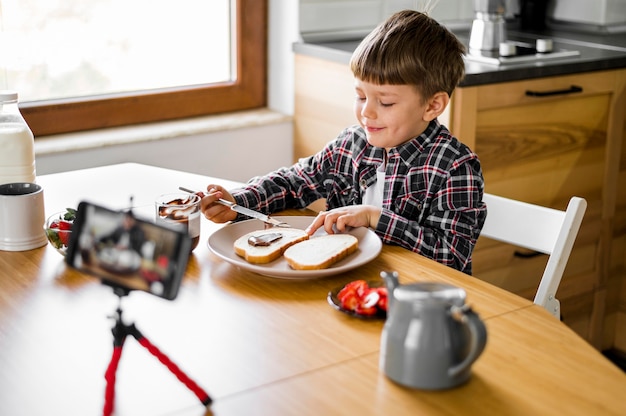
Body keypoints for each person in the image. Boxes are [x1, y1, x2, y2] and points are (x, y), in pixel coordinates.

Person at [201, 10, 487, 274]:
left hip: (419, 298)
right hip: (352, 281)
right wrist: (239, 200)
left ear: (433, 106)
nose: (366, 112)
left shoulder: (455, 167)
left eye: (385, 102)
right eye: (361, 96)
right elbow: (292, 183)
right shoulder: (351, 144)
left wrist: (375, 218)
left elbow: (452, 256)